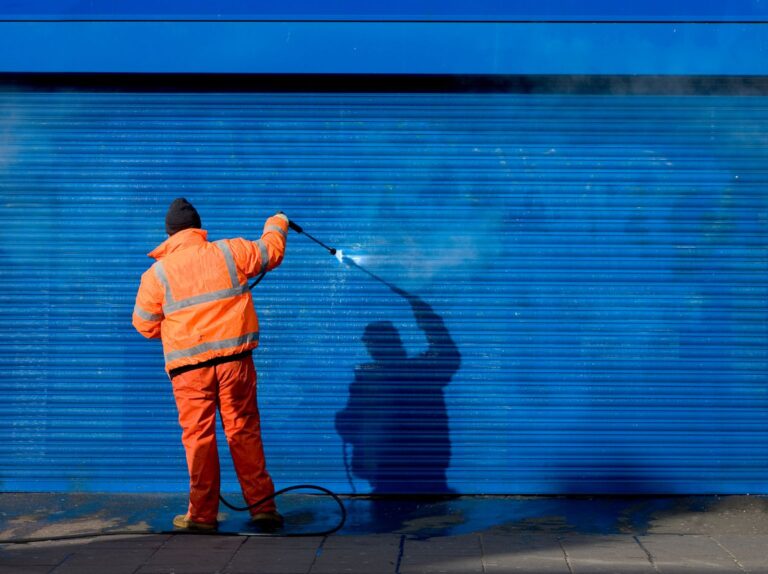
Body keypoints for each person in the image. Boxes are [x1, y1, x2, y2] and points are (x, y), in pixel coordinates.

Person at [132, 198, 288, 531]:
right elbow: (270, 251)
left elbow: (144, 324)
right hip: (236, 363)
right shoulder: (229, 252)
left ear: (169, 234)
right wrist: (277, 221)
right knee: (243, 430)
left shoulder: (156, 274)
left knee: (198, 438)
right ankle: (262, 508)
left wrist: (182, 330)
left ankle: (202, 516)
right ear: (198, 228)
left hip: (189, 370)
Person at [335, 286, 460, 495]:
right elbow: (448, 352)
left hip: (399, 472)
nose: (371, 349)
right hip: (416, 470)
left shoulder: (378, 377)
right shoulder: (421, 370)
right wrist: (427, 316)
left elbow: (349, 424)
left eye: (373, 343)